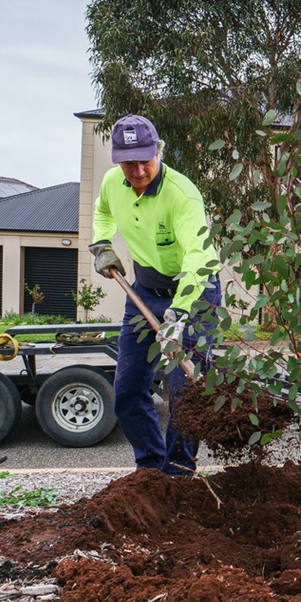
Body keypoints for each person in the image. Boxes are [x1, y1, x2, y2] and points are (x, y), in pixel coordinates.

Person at [89, 114, 221, 476]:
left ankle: (177, 473)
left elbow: (198, 258)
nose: (137, 170)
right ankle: (149, 469)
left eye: (144, 160)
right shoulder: (112, 182)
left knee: (185, 392)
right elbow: (102, 212)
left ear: (158, 151)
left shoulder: (181, 195)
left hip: (195, 293)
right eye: (128, 162)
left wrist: (178, 315)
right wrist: (101, 242)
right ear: (117, 159)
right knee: (128, 389)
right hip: (144, 290)